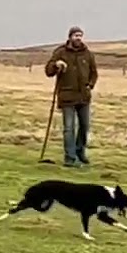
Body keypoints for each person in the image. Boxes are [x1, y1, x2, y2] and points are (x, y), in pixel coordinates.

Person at [44, 25, 99, 167]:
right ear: (70, 37)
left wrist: (90, 85)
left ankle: (80, 152)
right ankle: (70, 158)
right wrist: (56, 65)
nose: (78, 38)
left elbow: (94, 73)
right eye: (76, 35)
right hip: (67, 96)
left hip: (84, 96)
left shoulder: (88, 54)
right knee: (69, 128)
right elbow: (48, 71)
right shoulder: (61, 52)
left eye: (80, 35)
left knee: (84, 126)